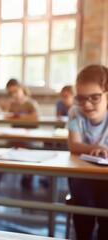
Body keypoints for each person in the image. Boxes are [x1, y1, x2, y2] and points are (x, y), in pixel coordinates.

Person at [67, 64, 108, 240]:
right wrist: (97, 149)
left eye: (95, 97)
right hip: (82, 174)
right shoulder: (75, 112)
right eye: (81, 98)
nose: (87, 104)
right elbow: (74, 145)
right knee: (84, 208)